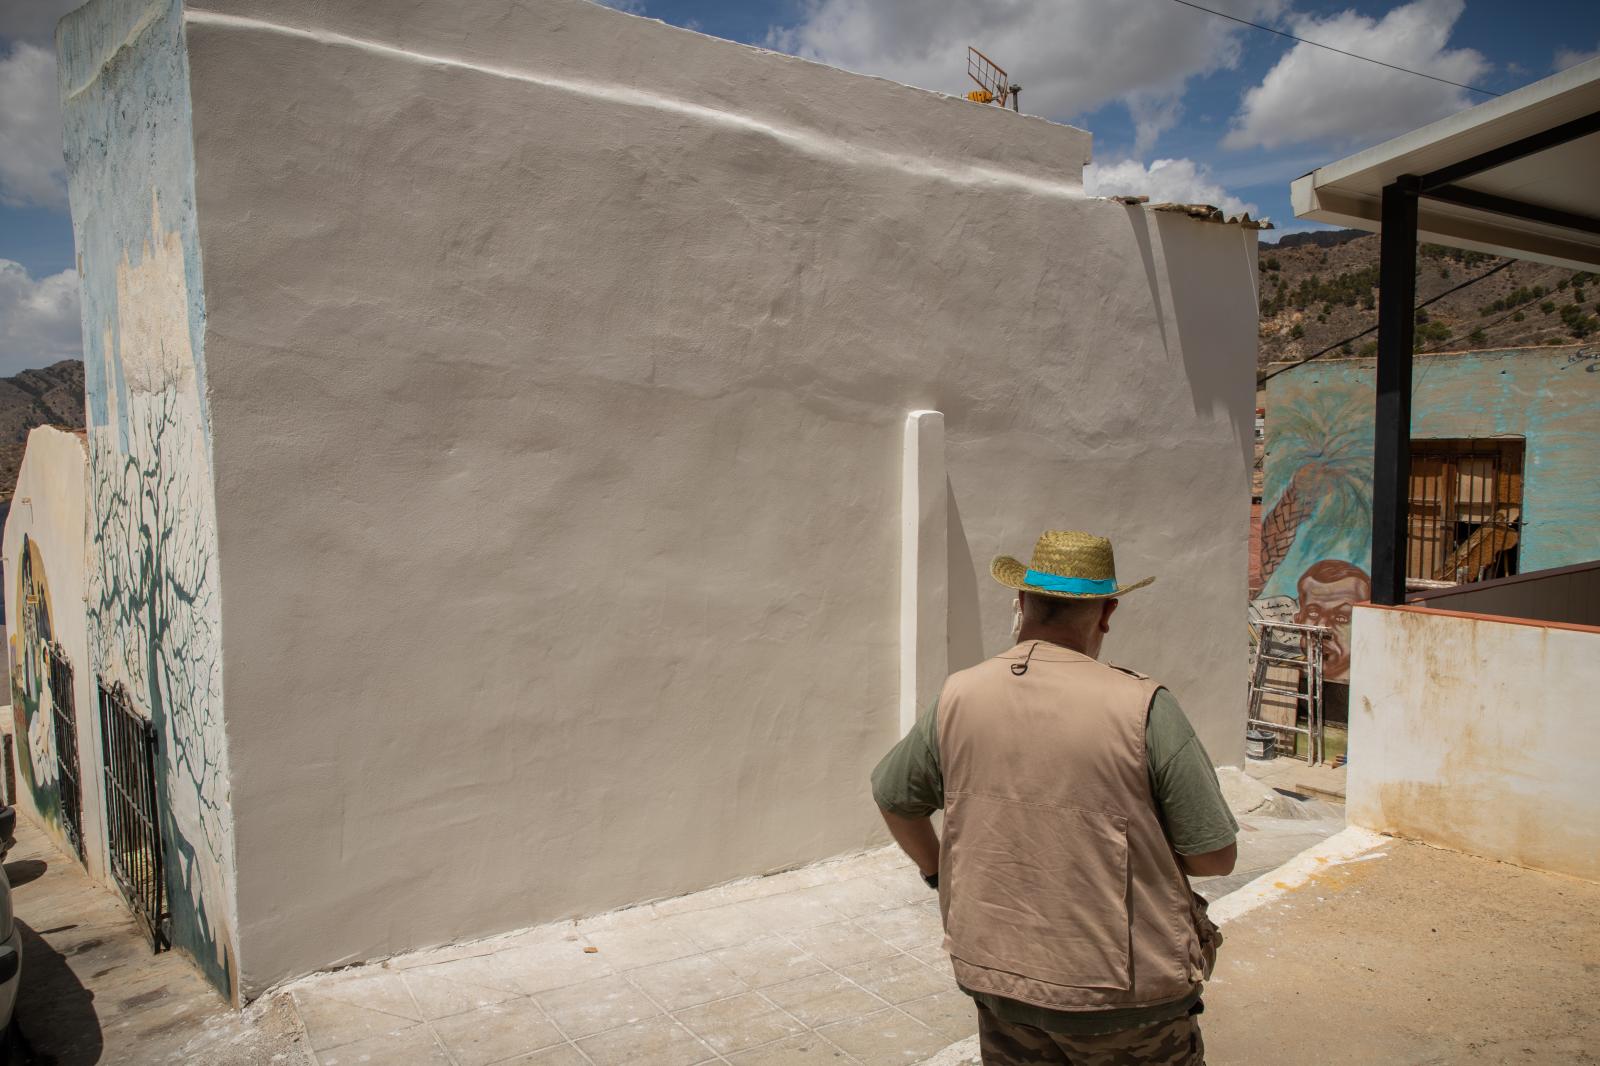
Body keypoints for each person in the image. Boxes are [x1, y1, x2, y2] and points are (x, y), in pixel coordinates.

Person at [871, 530, 1238, 1066]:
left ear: (1021, 603)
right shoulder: (1143, 705)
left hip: (999, 982)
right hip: (1123, 1000)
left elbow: (893, 796)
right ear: (1107, 612)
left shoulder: (959, 693)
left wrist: (937, 873)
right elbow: (1214, 856)